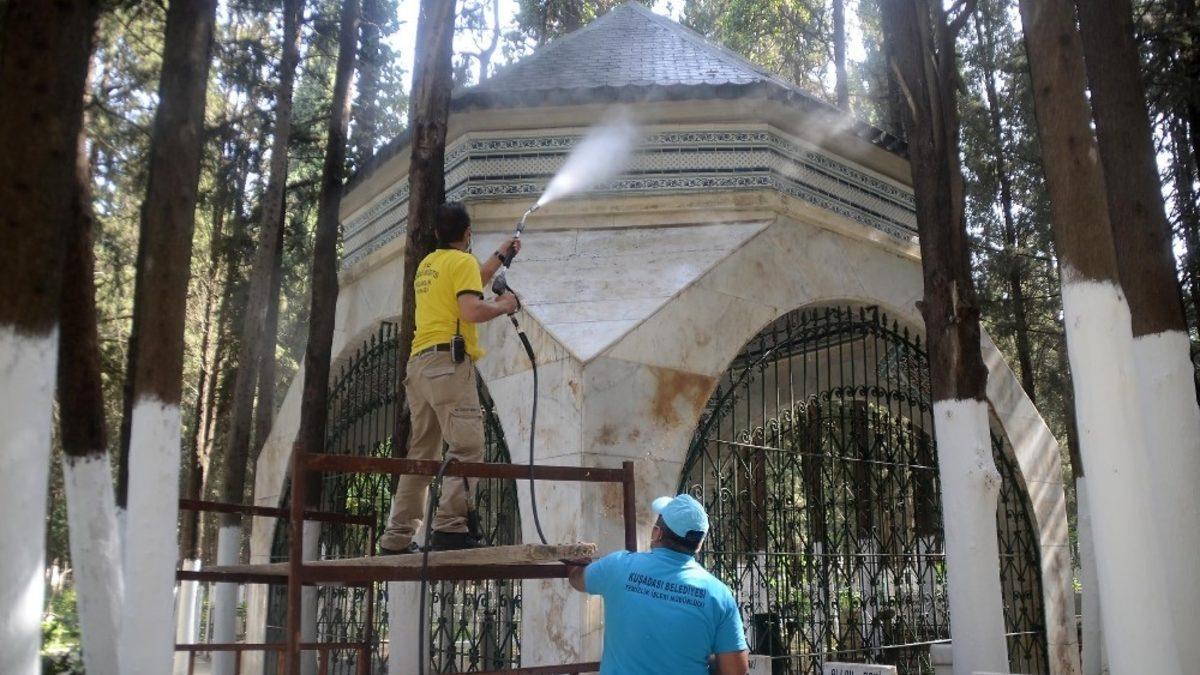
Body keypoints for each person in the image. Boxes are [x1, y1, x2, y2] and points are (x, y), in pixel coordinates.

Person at [380, 202, 520, 554]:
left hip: (419, 367)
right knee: (467, 448)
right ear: (467, 234)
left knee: (422, 453)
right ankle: (450, 527)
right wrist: (505, 305)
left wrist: (500, 256)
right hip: (448, 365)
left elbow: (468, 283)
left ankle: (396, 538)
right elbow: (471, 309)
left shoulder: (428, 265)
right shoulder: (462, 262)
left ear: (436, 233)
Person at [568, 494, 750, 675]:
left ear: (656, 533)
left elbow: (578, 580)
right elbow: (736, 671)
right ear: (699, 544)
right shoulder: (719, 595)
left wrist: (574, 563)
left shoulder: (618, 566)